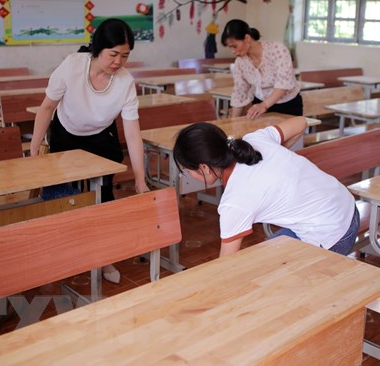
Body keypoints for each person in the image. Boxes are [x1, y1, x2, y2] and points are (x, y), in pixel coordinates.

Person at [30, 18, 150, 283]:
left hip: (100, 136)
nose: (118, 62)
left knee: (103, 196)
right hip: (66, 134)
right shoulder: (72, 66)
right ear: (98, 48)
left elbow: (132, 132)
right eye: (113, 54)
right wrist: (34, 151)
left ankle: (103, 258)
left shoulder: (125, 82)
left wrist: (139, 179)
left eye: (125, 56)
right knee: (63, 196)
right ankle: (63, 251)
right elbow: (47, 107)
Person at [173, 116, 359, 257]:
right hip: (348, 206)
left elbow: (227, 263)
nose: (188, 175)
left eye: (188, 171)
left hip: (334, 234)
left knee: (264, 275)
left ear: (204, 167)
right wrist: (278, 157)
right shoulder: (256, 139)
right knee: (263, 257)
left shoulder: (235, 202)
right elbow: (301, 122)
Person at [220, 19, 302, 119]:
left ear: (247, 38)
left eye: (234, 46)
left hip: (288, 105)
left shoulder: (277, 50)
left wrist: (264, 105)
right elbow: (240, 93)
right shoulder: (240, 62)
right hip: (259, 105)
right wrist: (233, 122)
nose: (233, 51)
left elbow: (283, 84)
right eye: (230, 48)